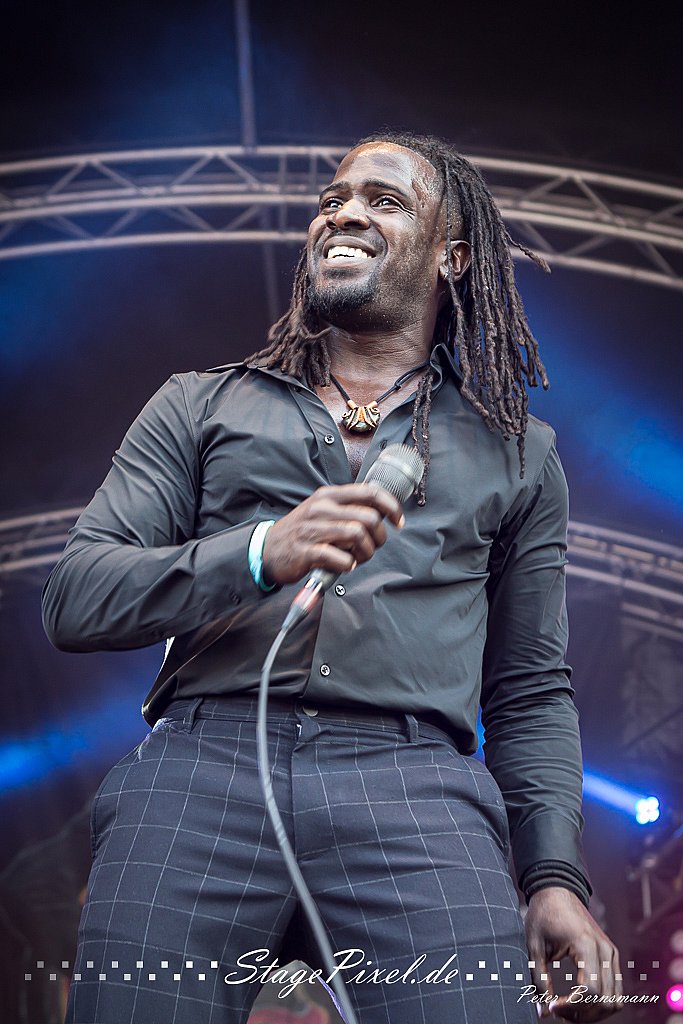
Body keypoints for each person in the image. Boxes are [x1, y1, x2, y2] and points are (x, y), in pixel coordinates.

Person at [42, 131, 621, 1024]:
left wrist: (552, 877)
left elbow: (530, 689)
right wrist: (257, 552)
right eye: (331, 201)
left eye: (383, 201)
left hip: (416, 789)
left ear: (453, 258)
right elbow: (78, 597)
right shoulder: (197, 404)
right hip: (199, 772)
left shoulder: (518, 452)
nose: (343, 213)